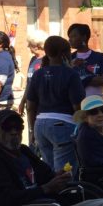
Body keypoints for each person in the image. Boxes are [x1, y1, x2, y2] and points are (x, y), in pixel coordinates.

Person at [26, 36, 84, 172]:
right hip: (63, 124)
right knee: (65, 173)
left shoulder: (38, 74)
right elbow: (78, 107)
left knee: (49, 170)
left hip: (40, 124)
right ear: (64, 54)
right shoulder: (71, 74)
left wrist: (32, 129)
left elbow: (30, 107)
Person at [68, 23, 103, 99]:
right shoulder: (69, 58)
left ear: (84, 37)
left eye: (74, 36)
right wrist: (93, 78)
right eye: (69, 37)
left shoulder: (99, 57)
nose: (70, 40)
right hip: (76, 102)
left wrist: (79, 80)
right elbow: (67, 82)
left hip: (96, 102)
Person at [18, 29, 48, 116]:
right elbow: (28, 83)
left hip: (42, 104)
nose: (28, 46)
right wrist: (23, 101)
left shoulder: (47, 59)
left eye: (30, 44)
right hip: (30, 102)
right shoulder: (33, 59)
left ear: (36, 46)